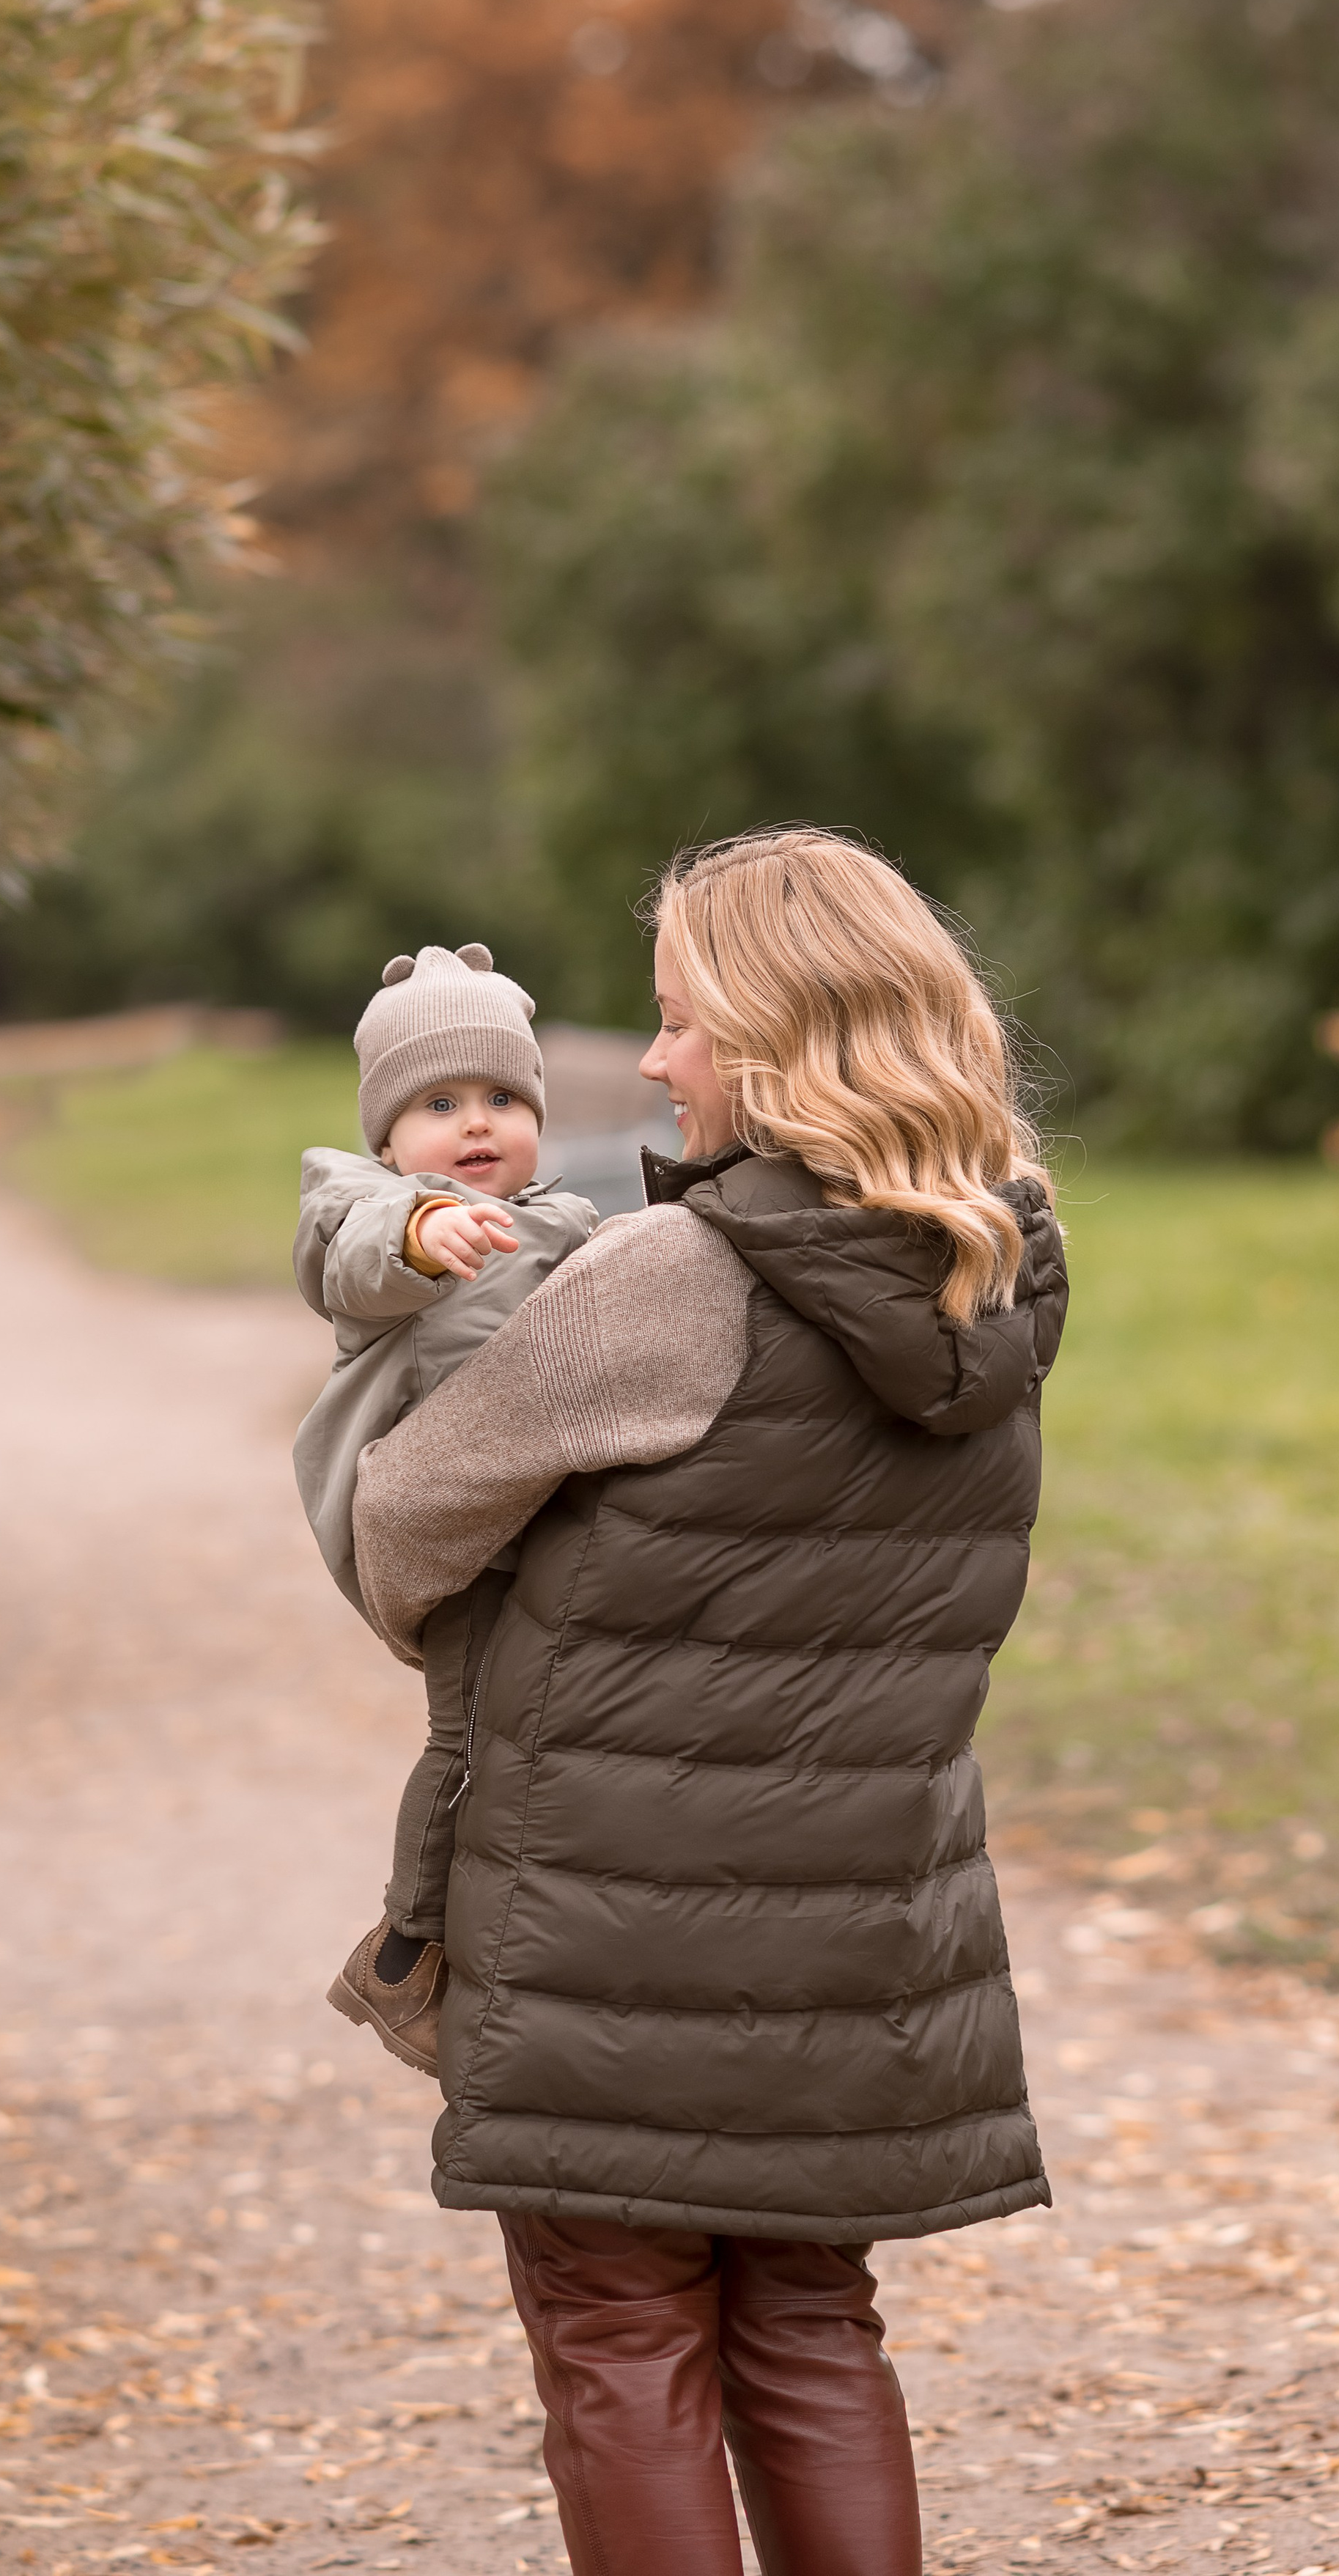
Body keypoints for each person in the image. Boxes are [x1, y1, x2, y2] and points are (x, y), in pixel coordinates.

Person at [350, 828, 1069, 2576]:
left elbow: (399, 1527)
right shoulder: (994, 1271)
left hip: (607, 1929)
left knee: (617, 2336)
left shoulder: (671, 1280)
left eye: (677, 1023)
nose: (653, 1063)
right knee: (814, 2328)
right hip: (855, 1930)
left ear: (772, 1035)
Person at [292, 941, 597, 2074]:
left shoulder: (557, 1217)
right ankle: (403, 1952)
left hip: (531, 1524)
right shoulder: (362, 1205)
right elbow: (363, 1261)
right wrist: (425, 1233)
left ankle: (521, 1924)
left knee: (542, 1728)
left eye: (504, 1098)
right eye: (440, 1102)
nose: (478, 1124)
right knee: (467, 1738)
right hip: (440, 1532)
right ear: (387, 1135)